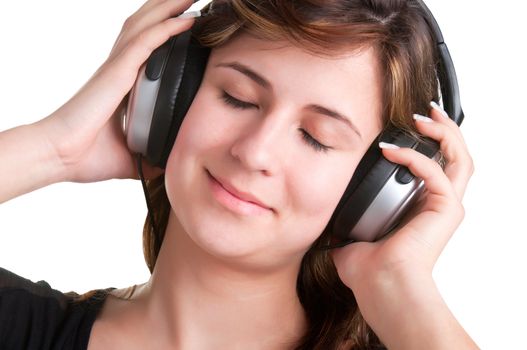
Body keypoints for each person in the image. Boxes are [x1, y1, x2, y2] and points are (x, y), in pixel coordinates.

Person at [0, 0, 478, 349]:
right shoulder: (21, 328)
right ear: (170, 99)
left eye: (316, 136)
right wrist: (52, 149)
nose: (255, 152)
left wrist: (399, 285)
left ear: (370, 190)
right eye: (238, 97)